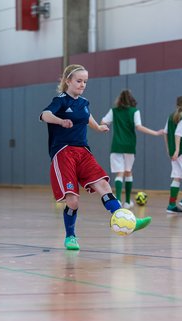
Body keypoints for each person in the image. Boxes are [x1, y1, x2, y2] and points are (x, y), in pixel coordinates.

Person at [40, 64, 151, 251]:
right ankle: (70, 236)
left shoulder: (84, 102)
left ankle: (127, 220)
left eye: (85, 81)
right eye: (79, 81)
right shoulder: (60, 100)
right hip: (64, 152)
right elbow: (45, 115)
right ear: (68, 81)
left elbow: (87, 116)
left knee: (104, 185)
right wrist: (60, 121)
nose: (82, 84)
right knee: (73, 201)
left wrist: (97, 127)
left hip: (83, 151)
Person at [101, 89, 163, 208]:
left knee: (119, 173)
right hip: (129, 145)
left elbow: (103, 122)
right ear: (131, 99)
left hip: (117, 145)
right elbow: (139, 127)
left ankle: (118, 200)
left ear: (119, 100)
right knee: (128, 171)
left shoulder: (114, 111)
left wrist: (104, 127)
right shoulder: (135, 111)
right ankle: (128, 201)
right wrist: (155, 133)